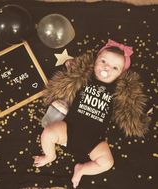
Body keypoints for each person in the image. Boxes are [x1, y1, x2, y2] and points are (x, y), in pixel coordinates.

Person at [33, 39, 149, 188]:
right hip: (69, 129)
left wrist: (140, 115)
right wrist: (72, 67)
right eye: (103, 61)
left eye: (115, 67)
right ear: (95, 61)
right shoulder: (86, 78)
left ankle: (82, 170)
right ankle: (50, 155)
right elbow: (73, 79)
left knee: (107, 162)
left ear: (121, 74)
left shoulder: (117, 91)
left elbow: (130, 106)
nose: (106, 68)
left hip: (93, 141)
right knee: (48, 132)